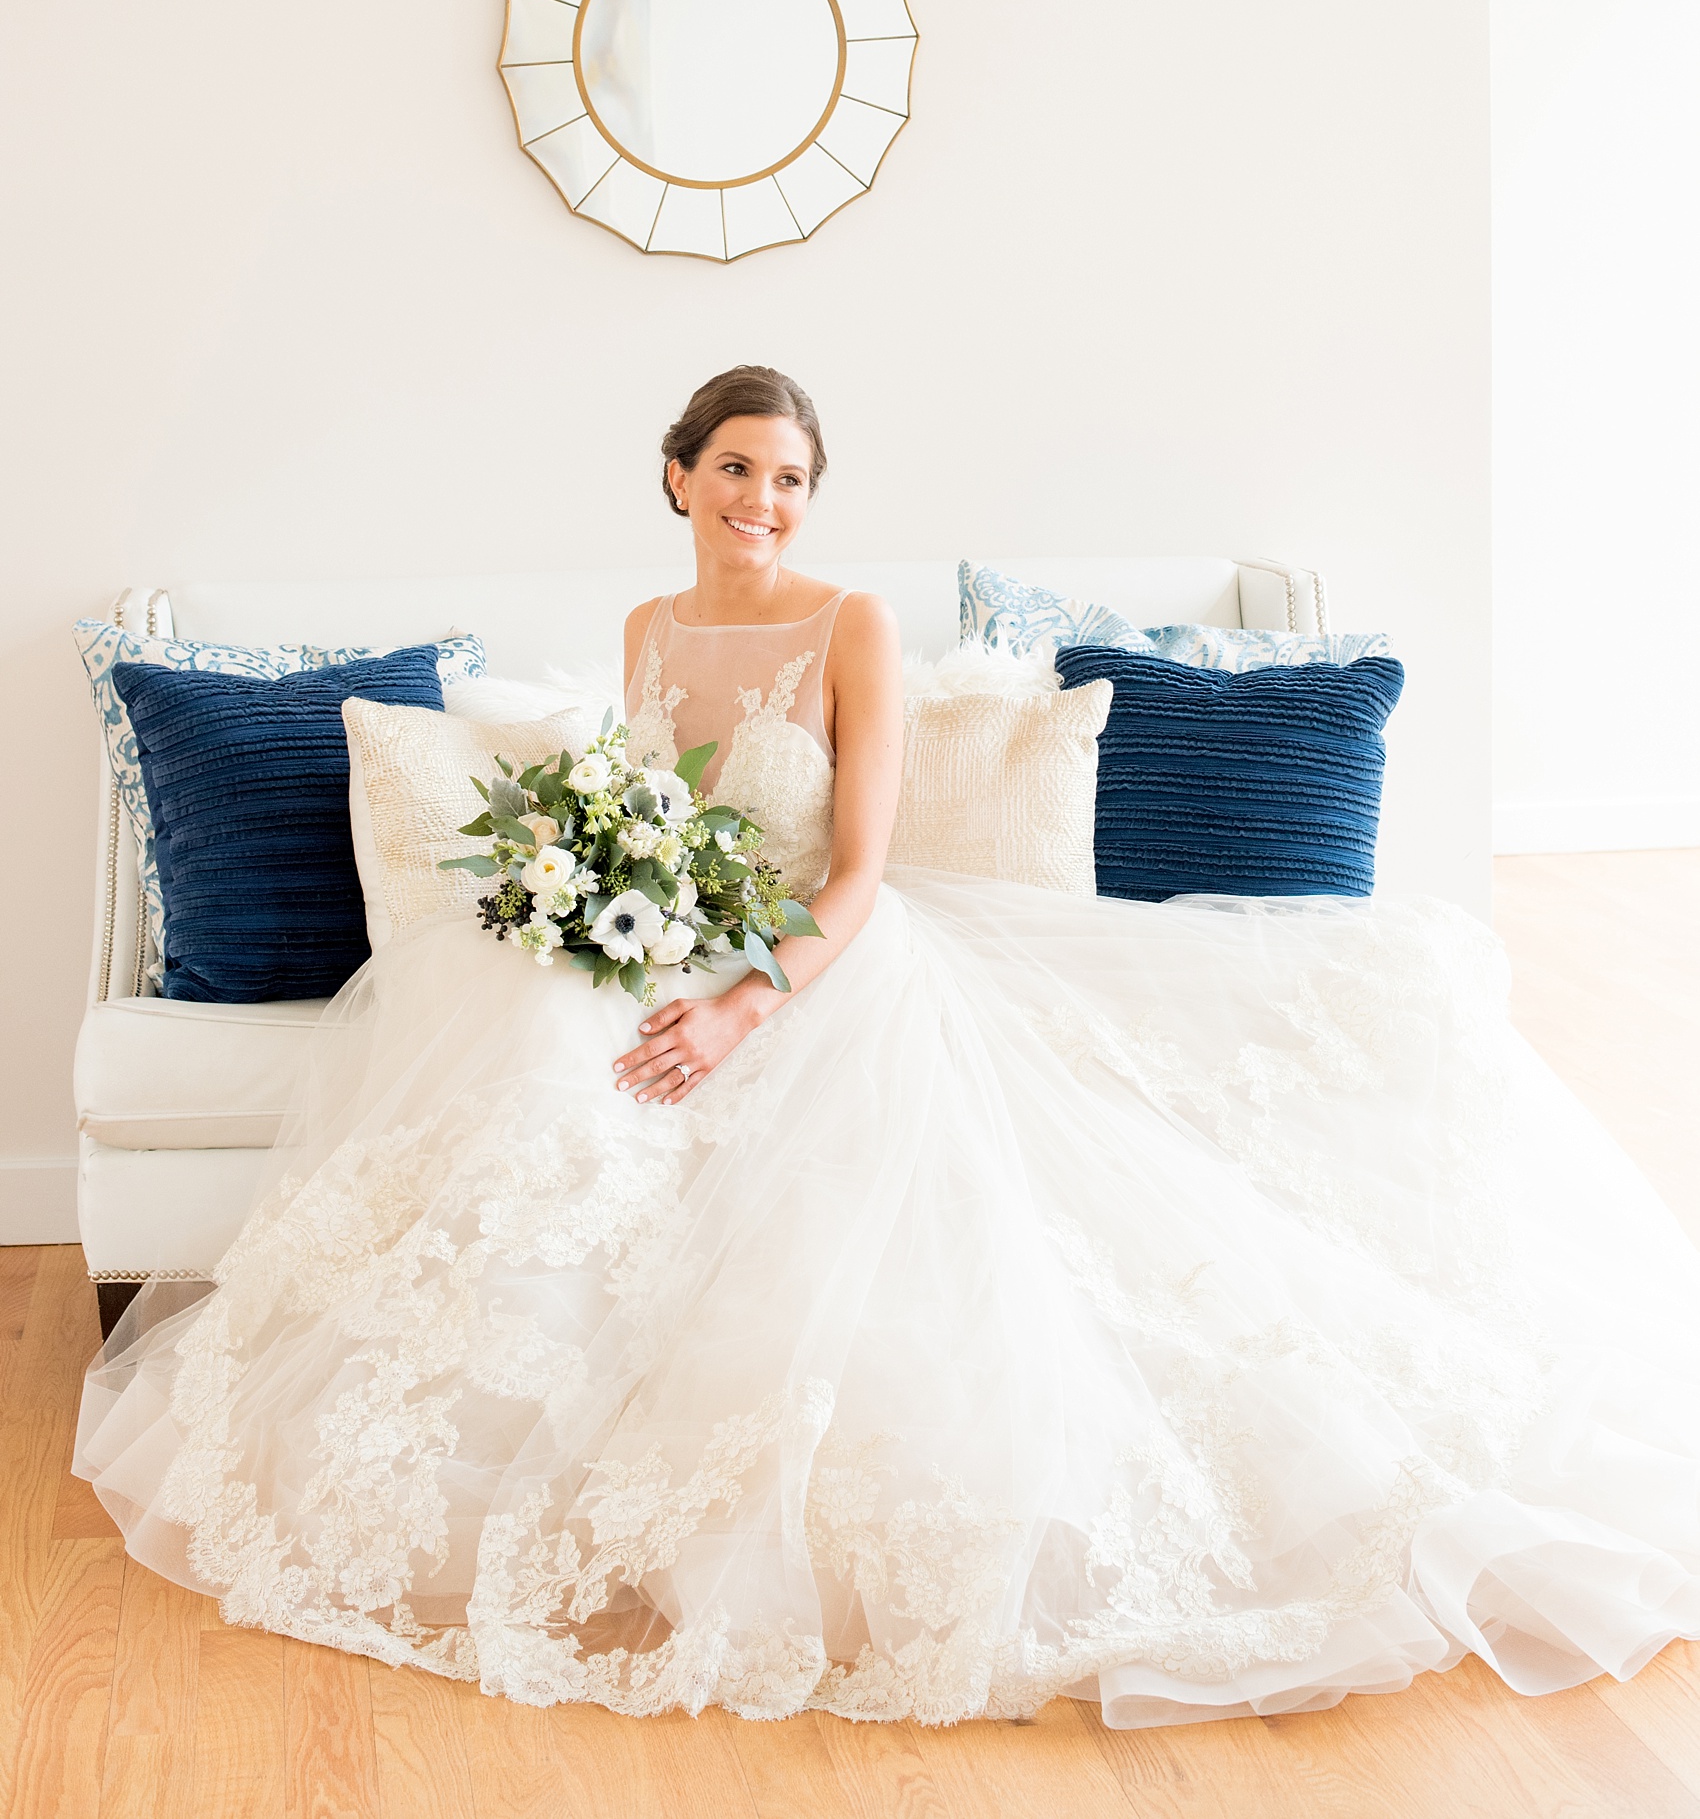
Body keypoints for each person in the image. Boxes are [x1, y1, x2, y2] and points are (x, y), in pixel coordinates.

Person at [75, 365, 1700, 1729]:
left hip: (819, 968)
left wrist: (737, 1002)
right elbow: (654, 830)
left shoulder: (846, 627)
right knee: (531, 1071)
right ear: (675, 475)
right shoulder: (646, 628)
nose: (760, 501)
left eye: (787, 478)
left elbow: (854, 876)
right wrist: (614, 923)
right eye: (733, 468)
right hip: (676, 943)